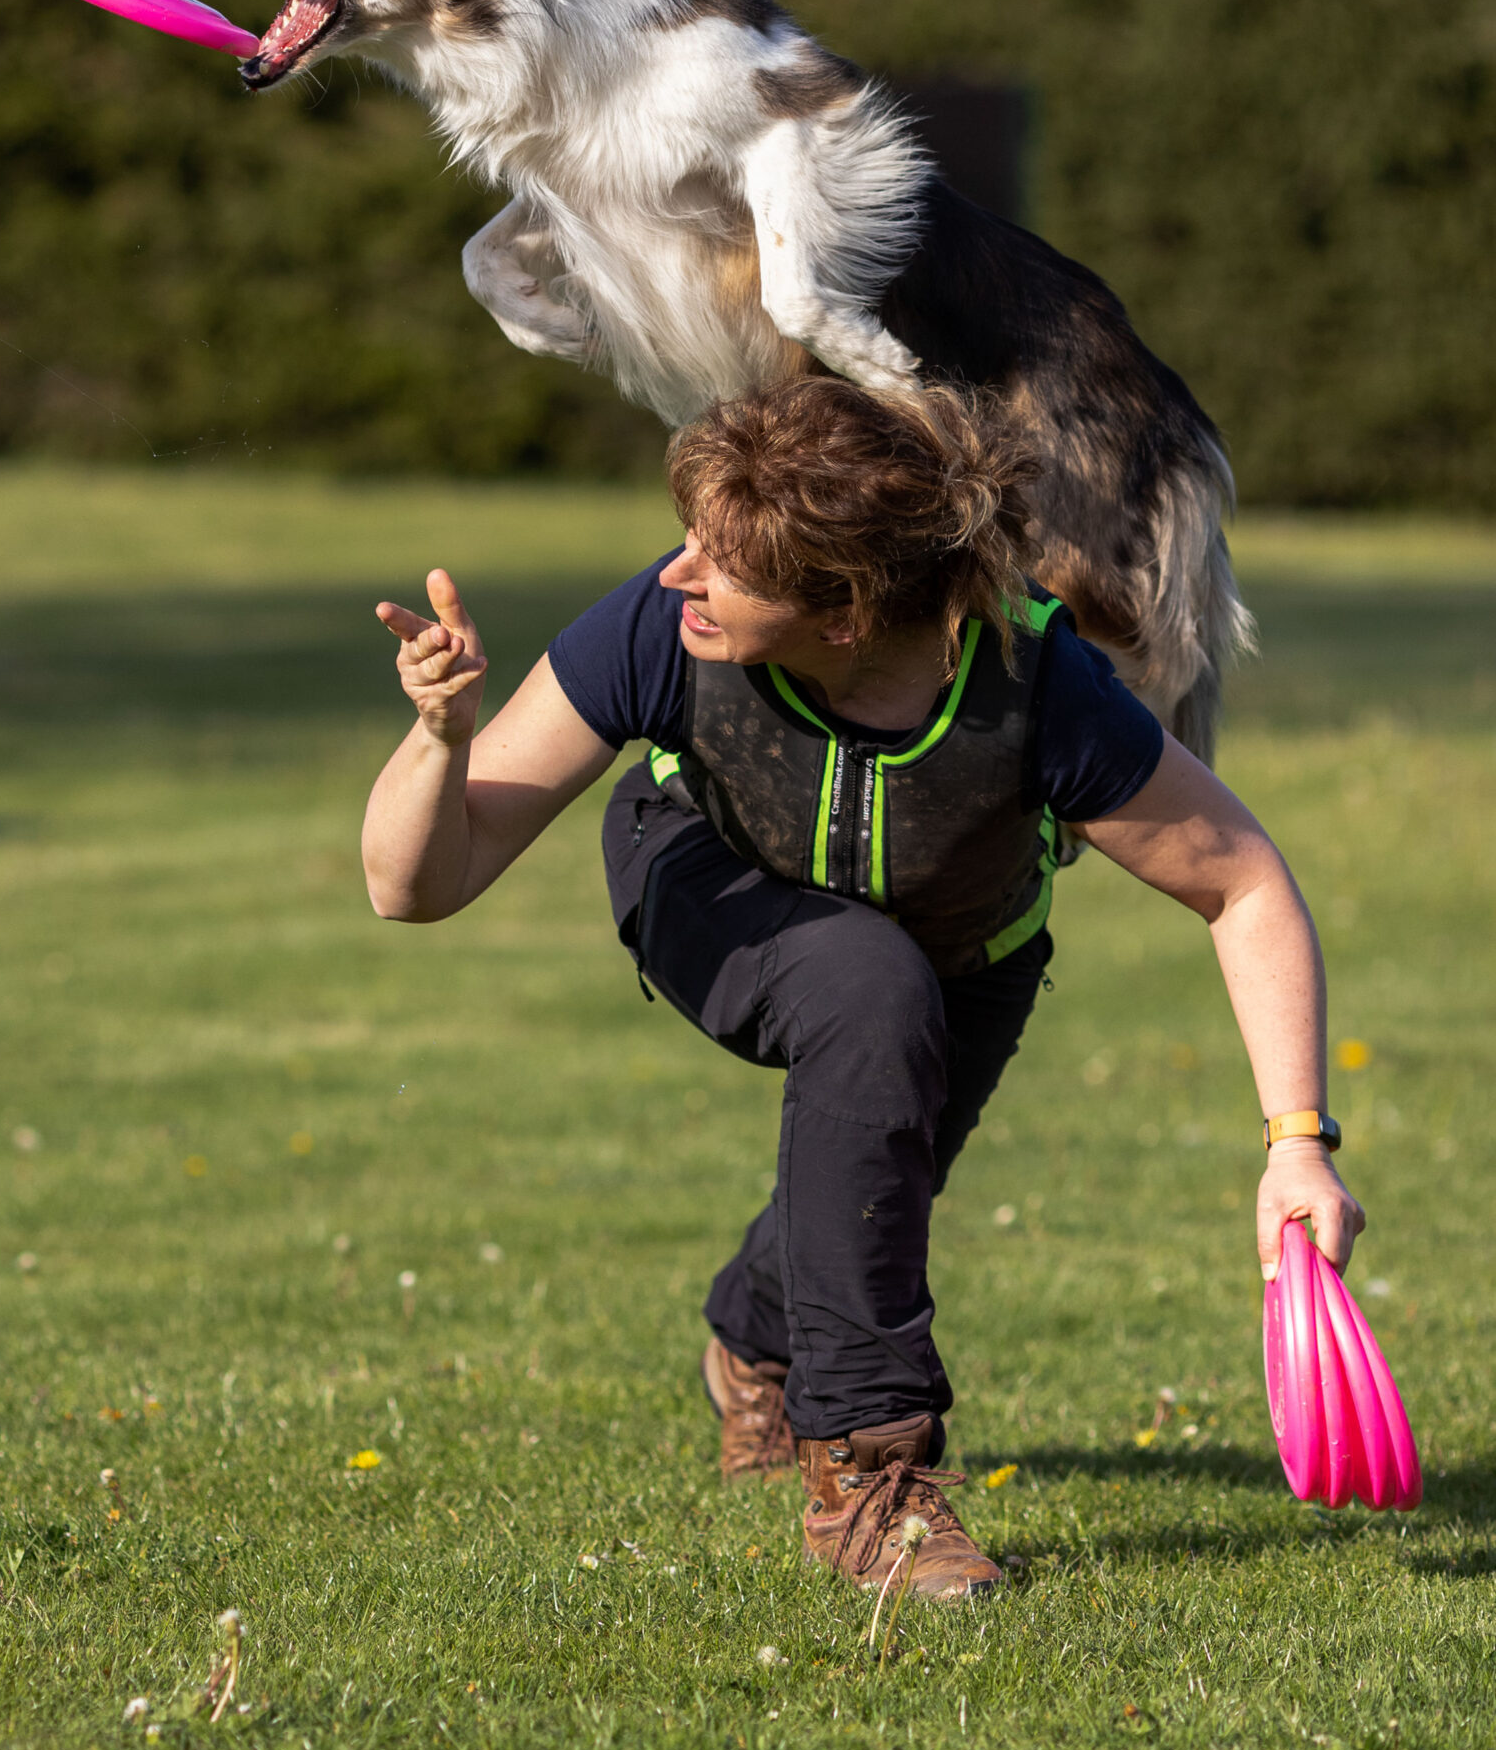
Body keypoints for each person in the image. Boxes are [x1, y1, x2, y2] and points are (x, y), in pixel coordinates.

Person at [361, 378, 1363, 1603]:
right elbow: (417, 884)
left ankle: (753, 1334)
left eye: (724, 566)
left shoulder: (1035, 687)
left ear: (843, 613)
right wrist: (437, 738)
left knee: (869, 1173)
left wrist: (1294, 1145)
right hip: (709, 884)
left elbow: (1242, 886)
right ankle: (865, 1480)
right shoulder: (658, 626)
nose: (679, 574)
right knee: (860, 982)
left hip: (969, 956)